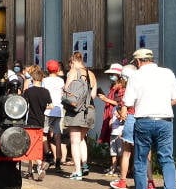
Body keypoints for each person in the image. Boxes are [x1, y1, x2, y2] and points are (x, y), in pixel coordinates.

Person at [122, 48, 176, 189]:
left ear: (138, 61)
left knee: (140, 161)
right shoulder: (167, 73)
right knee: (167, 159)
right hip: (164, 120)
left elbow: (128, 102)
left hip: (144, 121)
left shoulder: (135, 76)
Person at [64, 52, 97, 180]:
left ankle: (77, 171)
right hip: (89, 109)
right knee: (82, 139)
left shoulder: (73, 71)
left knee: (74, 141)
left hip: (76, 110)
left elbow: (67, 89)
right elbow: (93, 95)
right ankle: (84, 165)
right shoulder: (91, 74)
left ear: (72, 62)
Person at [21, 65, 51, 181]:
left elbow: (23, 104)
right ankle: (30, 170)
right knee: (37, 144)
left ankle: (39, 164)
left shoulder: (29, 91)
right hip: (41, 120)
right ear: (42, 78)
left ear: (32, 78)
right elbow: (51, 106)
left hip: (31, 121)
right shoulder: (45, 91)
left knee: (30, 145)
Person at [97, 63, 125, 174]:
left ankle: (120, 167)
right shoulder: (112, 86)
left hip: (117, 117)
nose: (111, 76)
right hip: (110, 115)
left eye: (113, 74)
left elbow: (120, 103)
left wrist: (105, 99)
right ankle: (113, 166)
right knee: (111, 142)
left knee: (119, 145)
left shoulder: (121, 88)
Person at [42, 59, 65, 170]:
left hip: (47, 109)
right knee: (57, 135)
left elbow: (43, 93)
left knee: (44, 134)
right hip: (58, 109)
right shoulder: (61, 81)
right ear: (57, 69)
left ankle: (48, 154)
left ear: (47, 69)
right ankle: (58, 161)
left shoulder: (45, 80)